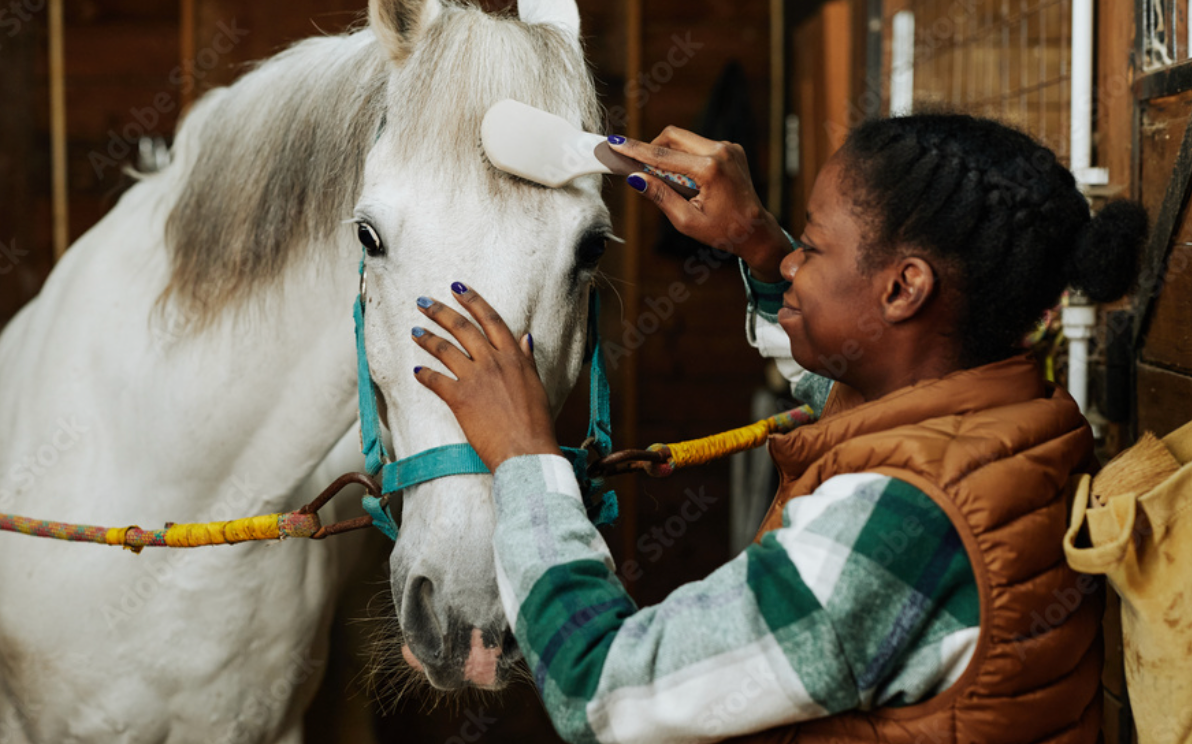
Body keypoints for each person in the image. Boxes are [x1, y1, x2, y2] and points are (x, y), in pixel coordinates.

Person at [408, 113, 1148, 744]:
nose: (793, 264)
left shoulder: (898, 525)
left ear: (903, 288)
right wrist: (756, 242)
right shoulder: (1011, 416)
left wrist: (525, 459)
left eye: (815, 248)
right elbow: (849, 395)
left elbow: (600, 690)